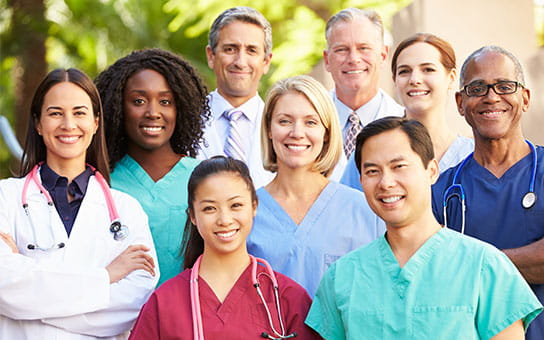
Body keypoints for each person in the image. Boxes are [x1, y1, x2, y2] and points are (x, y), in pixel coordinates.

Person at [306, 116, 543, 339]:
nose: (386, 182)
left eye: (399, 166)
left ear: (431, 171)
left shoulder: (485, 267)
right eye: (372, 171)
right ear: (361, 182)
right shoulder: (342, 277)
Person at [431, 46, 544, 339]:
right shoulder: (441, 191)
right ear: (460, 102)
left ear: (525, 98)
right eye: (477, 88)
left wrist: (466, 264)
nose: (491, 96)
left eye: (505, 86)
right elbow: (435, 277)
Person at [0, 68, 158, 339]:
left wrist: (29, 298)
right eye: (55, 113)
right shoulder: (5, 198)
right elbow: (3, 286)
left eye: (79, 112)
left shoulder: (127, 211)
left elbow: (132, 304)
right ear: (38, 123)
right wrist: (107, 276)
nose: (68, 124)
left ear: (96, 122)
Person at [129, 156, 320, 339]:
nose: (224, 220)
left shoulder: (287, 298)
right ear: (193, 216)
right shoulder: (165, 302)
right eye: (209, 208)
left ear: (254, 206)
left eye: (236, 205)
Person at [246, 75, 385, 297]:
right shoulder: (245, 212)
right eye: (284, 121)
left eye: (311, 122)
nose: (297, 133)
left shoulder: (366, 211)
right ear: (269, 129)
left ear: (327, 132)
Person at [95, 48, 210, 285]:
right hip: (117, 318)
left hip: (188, 317)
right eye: (138, 101)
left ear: (181, 108)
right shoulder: (101, 181)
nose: (153, 112)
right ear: (116, 106)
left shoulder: (205, 178)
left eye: (165, 101)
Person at [340, 33, 474, 190]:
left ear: (451, 78)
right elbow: (344, 210)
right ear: (394, 80)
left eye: (428, 69)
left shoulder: (473, 155)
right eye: (404, 71)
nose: (415, 79)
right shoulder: (369, 152)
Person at [323, 7, 404, 181]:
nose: (353, 59)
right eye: (341, 49)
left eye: (364, 48)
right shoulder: (309, 121)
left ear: (383, 55)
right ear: (327, 60)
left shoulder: (404, 121)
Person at [198, 6, 274, 187]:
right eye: (230, 49)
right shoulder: (185, 120)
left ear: (266, 62)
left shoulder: (283, 127)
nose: (240, 62)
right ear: (211, 56)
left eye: (251, 51)